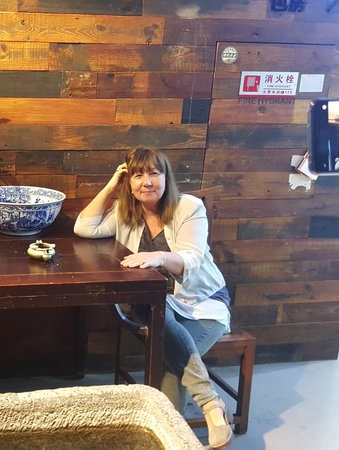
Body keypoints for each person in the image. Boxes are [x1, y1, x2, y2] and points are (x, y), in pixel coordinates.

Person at [73, 148, 233, 450]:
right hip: (158, 304)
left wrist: (158, 256)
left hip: (204, 302)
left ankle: (167, 441)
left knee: (170, 362)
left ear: (165, 177)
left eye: (154, 173)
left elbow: (193, 258)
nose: (147, 182)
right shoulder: (125, 213)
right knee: (150, 309)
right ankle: (210, 405)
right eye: (137, 175)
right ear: (129, 182)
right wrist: (111, 185)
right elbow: (84, 227)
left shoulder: (188, 207)